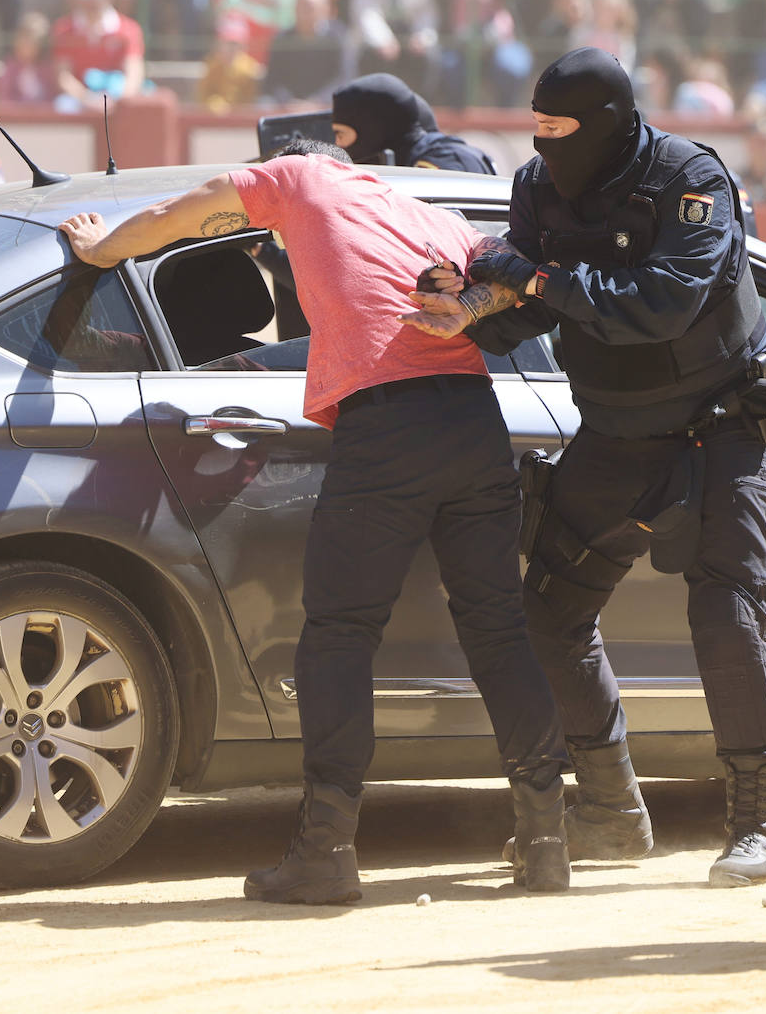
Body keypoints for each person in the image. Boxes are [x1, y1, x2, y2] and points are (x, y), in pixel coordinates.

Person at [56, 137, 571, 905]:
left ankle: (325, 851)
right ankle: (546, 844)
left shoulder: (298, 179)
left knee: (339, 636)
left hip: (385, 430)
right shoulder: (434, 214)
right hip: (474, 424)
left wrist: (101, 251)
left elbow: (176, 213)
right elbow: (517, 292)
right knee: (498, 629)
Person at [407, 47, 766, 888]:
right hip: (615, 429)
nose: (547, 149)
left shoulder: (690, 180)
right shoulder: (540, 187)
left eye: (561, 131)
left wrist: (534, 277)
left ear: (610, 124)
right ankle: (612, 811)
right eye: (536, 131)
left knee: (727, 613)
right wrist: (464, 309)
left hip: (717, 428)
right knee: (548, 611)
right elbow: (524, 314)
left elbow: (659, 304)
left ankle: (757, 822)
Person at [331, 72, 496, 174]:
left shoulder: (443, 164)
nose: (337, 144)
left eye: (341, 134)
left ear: (372, 132)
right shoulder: (420, 160)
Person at [51, 0, 145, 111]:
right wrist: (88, 99)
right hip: (80, 100)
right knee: (64, 106)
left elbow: (133, 73)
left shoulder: (129, 29)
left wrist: (117, 100)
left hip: (117, 100)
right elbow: (64, 76)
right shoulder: (64, 30)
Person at [260, 0, 351, 105]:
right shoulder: (282, 39)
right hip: (288, 109)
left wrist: (317, 101)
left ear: (325, 9)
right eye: (301, 6)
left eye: (310, 7)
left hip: (328, 108)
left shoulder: (338, 36)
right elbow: (273, 81)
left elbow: (344, 77)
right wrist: (290, 102)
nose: (305, 13)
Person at [0, 11, 60, 104]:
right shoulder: (11, 68)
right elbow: (5, 96)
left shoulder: (47, 68)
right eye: (22, 40)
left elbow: (52, 95)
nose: (25, 46)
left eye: (30, 42)